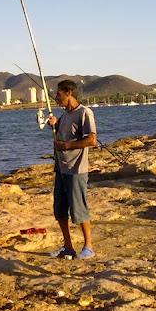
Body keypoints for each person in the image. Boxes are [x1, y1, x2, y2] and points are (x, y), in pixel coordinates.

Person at [46, 79, 97, 259]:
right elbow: (63, 132)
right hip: (60, 168)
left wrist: (67, 146)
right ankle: (68, 246)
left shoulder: (84, 113)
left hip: (76, 169)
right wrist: (54, 124)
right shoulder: (65, 115)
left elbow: (91, 140)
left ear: (68, 93)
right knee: (59, 210)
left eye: (58, 93)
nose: (55, 97)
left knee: (78, 209)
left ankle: (88, 247)